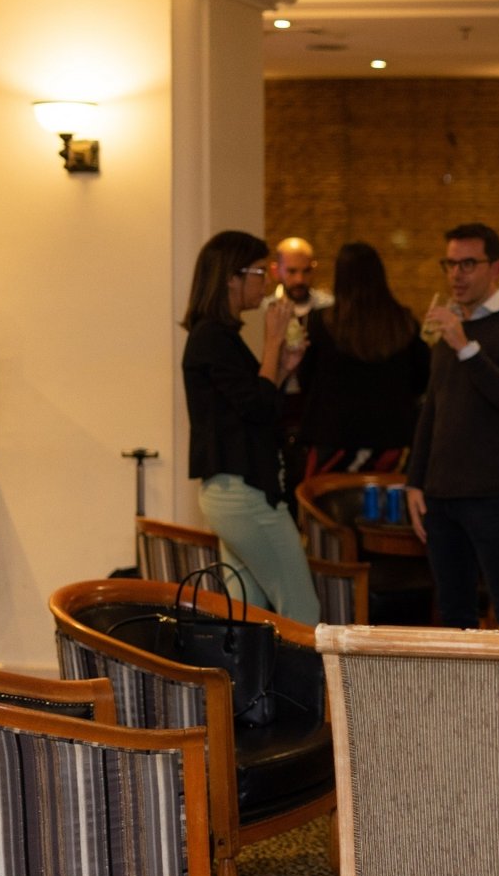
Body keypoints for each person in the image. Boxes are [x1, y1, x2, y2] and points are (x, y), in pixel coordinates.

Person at [404, 222, 499, 629]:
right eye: (450, 264)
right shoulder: (450, 326)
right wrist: (414, 481)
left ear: (495, 268)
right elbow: (433, 409)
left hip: (493, 492)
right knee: (453, 613)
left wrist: (466, 347)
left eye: (467, 264)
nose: (456, 274)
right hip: (440, 493)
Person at [181, 230, 320, 623]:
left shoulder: (219, 336)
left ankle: (251, 670)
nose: (268, 282)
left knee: (248, 615)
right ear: (231, 277)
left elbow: (255, 405)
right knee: (302, 613)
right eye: (260, 271)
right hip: (242, 492)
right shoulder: (212, 337)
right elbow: (257, 408)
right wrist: (273, 342)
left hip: (233, 490)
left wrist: (282, 369)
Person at [298, 241, 431, 476]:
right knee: (386, 500)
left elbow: (305, 379)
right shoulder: (404, 322)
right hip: (391, 441)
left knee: (327, 500)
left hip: (332, 438)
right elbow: (422, 379)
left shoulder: (319, 323)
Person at [262, 237, 333, 506]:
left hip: (316, 406)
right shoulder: (266, 309)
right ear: (276, 270)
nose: (299, 279)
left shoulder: (328, 308)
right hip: (280, 404)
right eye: (292, 271)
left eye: (306, 271)